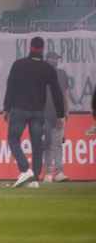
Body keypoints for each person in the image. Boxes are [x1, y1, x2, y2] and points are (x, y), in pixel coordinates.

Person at [4, 37, 65, 188]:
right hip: (38, 111)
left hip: (19, 109)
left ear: (30, 47)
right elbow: (57, 92)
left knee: (13, 139)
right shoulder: (47, 69)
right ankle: (35, 179)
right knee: (37, 145)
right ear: (42, 49)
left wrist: (6, 108)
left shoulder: (19, 65)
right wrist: (60, 114)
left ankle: (25, 169)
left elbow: (10, 86)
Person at [42, 51, 70, 182]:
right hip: (44, 114)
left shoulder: (62, 74)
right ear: (47, 59)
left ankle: (59, 172)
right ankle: (48, 173)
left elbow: (65, 92)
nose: (55, 61)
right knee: (47, 145)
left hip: (59, 114)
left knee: (57, 143)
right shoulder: (40, 73)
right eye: (53, 59)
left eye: (57, 59)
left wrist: (67, 110)